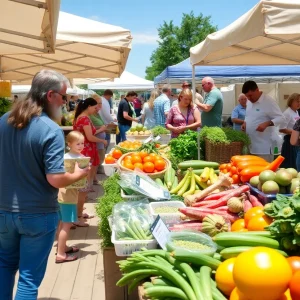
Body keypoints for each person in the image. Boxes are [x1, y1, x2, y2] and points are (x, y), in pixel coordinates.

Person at [0, 69, 89, 300]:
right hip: (38, 214)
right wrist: (79, 173)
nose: (65, 101)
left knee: (4, 267)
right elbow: (55, 178)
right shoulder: (49, 128)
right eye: (64, 96)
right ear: (50, 95)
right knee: (28, 279)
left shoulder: (3, 121)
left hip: (4, 211)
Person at [73, 98, 108, 226]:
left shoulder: (82, 118)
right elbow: (90, 137)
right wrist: (102, 141)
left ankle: (79, 212)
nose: (96, 109)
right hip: (85, 154)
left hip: (84, 152)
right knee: (83, 187)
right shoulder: (85, 119)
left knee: (83, 186)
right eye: (94, 107)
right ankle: (77, 216)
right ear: (88, 106)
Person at [56, 131, 86, 264]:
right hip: (68, 196)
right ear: (69, 144)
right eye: (77, 143)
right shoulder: (69, 158)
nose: (80, 146)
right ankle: (61, 254)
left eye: (82, 143)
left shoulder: (68, 156)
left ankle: (62, 247)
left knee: (62, 223)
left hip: (64, 194)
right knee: (66, 225)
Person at [241, 80, 285, 162]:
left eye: (250, 95)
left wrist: (267, 123)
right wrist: (244, 123)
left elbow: (281, 118)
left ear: (257, 90)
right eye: (247, 97)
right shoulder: (250, 101)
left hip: (264, 148)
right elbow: (248, 116)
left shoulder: (269, 101)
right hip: (251, 145)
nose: (249, 99)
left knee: (264, 172)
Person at [279, 93, 300, 168]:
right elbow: (281, 129)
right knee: (290, 165)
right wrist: (295, 133)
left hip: (295, 141)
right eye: (297, 101)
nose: (299, 103)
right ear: (291, 101)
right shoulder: (287, 113)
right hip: (289, 142)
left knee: (295, 163)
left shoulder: (296, 112)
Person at [90, 94, 107, 176]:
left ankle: (94, 177)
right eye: (98, 103)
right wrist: (101, 128)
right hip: (96, 141)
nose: (100, 105)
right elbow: (90, 129)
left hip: (100, 141)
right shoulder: (89, 114)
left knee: (99, 158)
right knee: (95, 160)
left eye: (101, 103)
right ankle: (93, 177)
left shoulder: (97, 113)